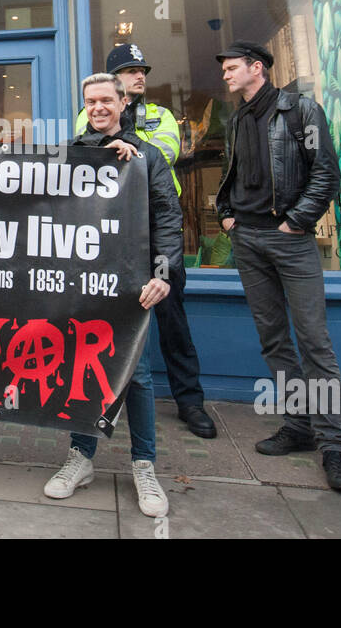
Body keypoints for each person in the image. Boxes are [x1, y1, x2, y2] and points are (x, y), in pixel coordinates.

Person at [215, 43, 341, 493]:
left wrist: (296, 222)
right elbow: (233, 172)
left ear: (257, 68)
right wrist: (225, 212)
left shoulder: (301, 110)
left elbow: (327, 174)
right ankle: (298, 425)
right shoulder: (238, 118)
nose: (226, 76)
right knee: (274, 339)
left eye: (232, 68)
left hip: (290, 242)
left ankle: (333, 443)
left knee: (315, 341)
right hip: (248, 240)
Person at [43, 73, 182, 518]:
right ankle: (81, 458)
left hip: (133, 285)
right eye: (91, 101)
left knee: (136, 376)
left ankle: (144, 466)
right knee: (83, 366)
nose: (98, 107)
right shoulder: (74, 150)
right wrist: (98, 159)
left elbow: (167, 217)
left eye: (106, 99)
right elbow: (43, 199)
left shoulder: (149, 155)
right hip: (81, 281)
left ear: (123, 102)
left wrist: (163, 273)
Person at [73, 44, 215, 439]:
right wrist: (106, 146)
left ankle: (190, 402)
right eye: (130, 70)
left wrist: (128, 144)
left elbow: (168, 152)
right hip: (110, 244)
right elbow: (79, 157)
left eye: (142, 70)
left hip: (155, 239)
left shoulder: (161, 115)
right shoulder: (92, 111)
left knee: (173, 324)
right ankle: (103, 405)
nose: (140, 76)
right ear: (115, 79)